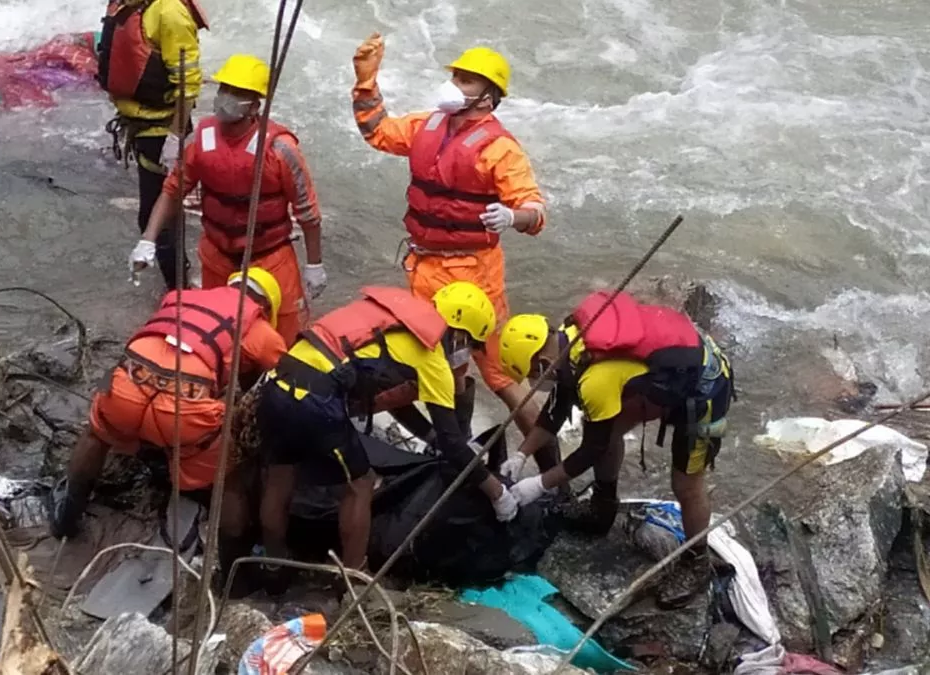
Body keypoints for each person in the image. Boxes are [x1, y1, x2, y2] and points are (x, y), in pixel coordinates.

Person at [350, 34, 552, 470]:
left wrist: (511, 218)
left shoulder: (499, 148)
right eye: (456, 75)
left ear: (487, 97)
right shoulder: (428, 126)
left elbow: (535, 210)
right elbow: (378, 132)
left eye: (464, 78)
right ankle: (453, 452)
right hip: (425, 264)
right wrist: (366, 80)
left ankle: (547, 467)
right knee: (440, 365)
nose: (454, 83)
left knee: (496, 372)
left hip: (474, 273)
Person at [257, 281, 520, 573]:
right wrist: (498, 493)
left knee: (281, 477)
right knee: (361, 484)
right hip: (317, 401)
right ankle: (354, 578)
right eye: (470, 345)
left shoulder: (394, 321)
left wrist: (430, 437)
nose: (466, 354)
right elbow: (454, 445)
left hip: (278, 384)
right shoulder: (432, 357)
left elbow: (398, 404)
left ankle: (272, 567)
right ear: (459, 334)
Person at [496, 290, 735, 608]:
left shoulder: (594, 379)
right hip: (666, 371)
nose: (535, 383)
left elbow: (591, 449)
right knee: (608, 430)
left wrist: (537, 485)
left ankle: (695, 560)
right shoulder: (569, 342)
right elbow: (553, 414)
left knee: (686, 485)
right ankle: (603, 506)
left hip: (704, 386)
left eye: (532, 377)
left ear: (542, 364)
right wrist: (520, 454)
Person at [50, 267, 287, 571]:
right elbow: (282, 384)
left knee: (96, 435)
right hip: (182, 407)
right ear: (266, 306)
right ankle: (233, 573)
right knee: (228, 479)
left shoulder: (180, 297)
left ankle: (66, 517)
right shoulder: (260, 330)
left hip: (128, 381)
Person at [132, 54, 326, 345]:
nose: (226, 98)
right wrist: (148, 239)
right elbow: (173, 191)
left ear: (255, 105)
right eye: (225, 89)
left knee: (285, 339)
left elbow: (308, 213)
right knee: (217, 336)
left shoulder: (280, 150)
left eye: (237, 93)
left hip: (269, 256)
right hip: (217, 254)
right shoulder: (203, 138)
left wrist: (314, 265)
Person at [98, 0, 208, 290]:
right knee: (162, 213)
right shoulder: (128, 6)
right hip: (141, 124)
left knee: (156, 218)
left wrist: (175, 138)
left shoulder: (168, 11)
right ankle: (180, 281)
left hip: (162, 129)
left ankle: (179, 290)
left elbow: (188, 82)